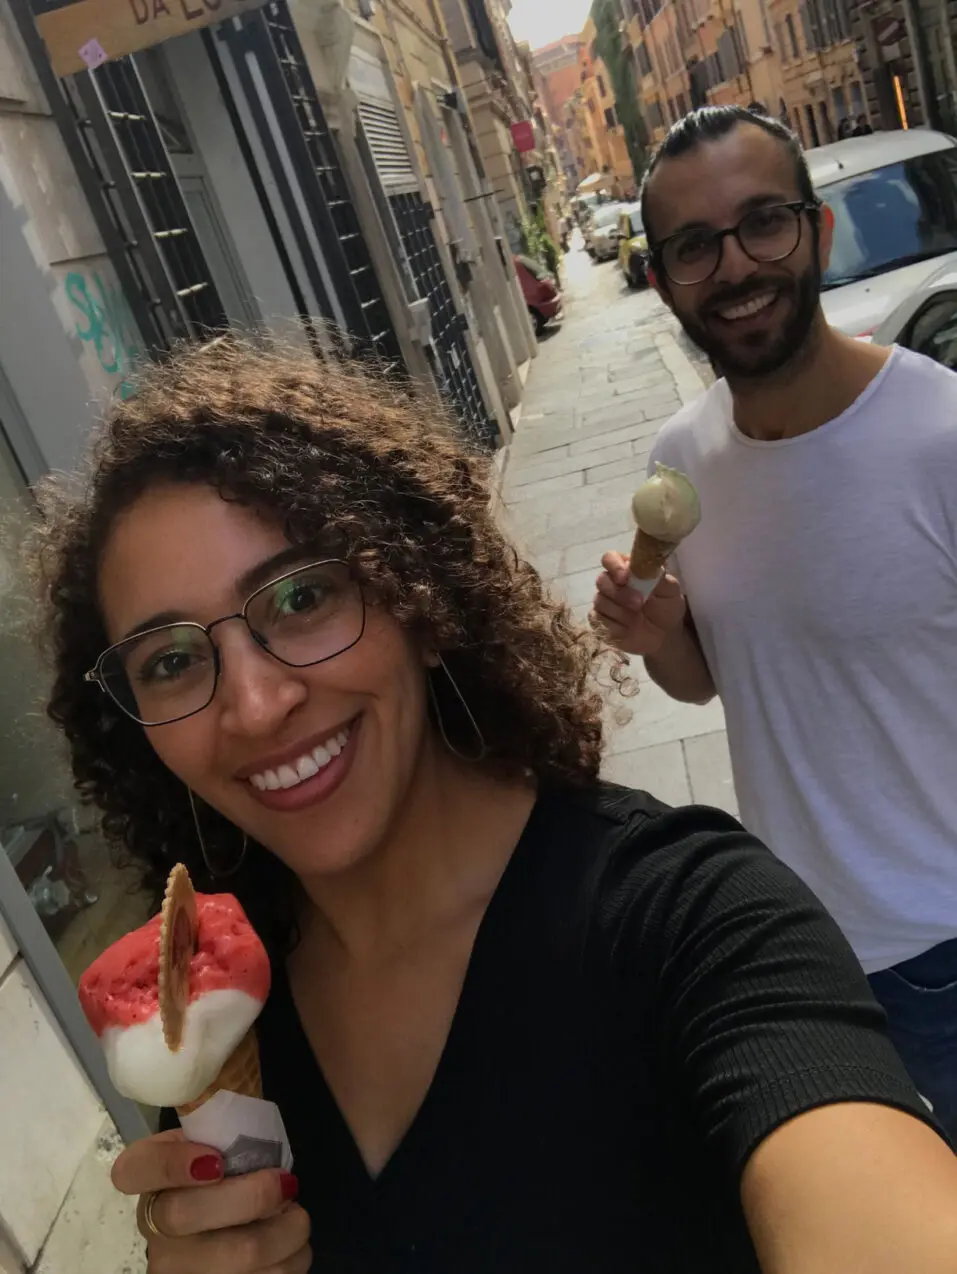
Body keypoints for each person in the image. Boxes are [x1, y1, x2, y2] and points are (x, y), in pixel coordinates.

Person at [30, 339, 957, 1274]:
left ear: (421, 602)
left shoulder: (689, 921)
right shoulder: (216, 1018)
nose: (256, 704)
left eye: (303, 596)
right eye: (172, 662)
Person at [593, 106, 957, 1141]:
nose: (737, 265)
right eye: (695, 246)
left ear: (818, 232)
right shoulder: (682, 455)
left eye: (764, 223)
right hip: (799, 947)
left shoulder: (940, 438)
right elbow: (708, 679)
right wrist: (659, 629)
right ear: (662, 278)